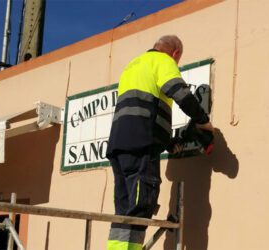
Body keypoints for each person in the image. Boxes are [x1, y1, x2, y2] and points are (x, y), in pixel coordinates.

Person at [106, 35, 214, 250]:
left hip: (119, 146)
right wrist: (203, 122)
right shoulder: (163, 61)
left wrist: (167, 142)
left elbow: (144, 111)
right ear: (175, 54)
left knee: (124, 209)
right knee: (140, 206)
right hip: (141, 147)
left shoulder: (133, 66)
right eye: (178, 60)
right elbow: (180, 94)